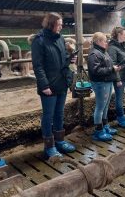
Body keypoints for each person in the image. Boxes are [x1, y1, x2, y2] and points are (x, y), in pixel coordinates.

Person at [31, 12, 76, 159]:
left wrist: (70, 59)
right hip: (49, 85)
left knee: (59, 114)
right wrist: (44, 85)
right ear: (51, 24)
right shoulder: (39, 41)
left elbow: (62, 60)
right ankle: (49, 146)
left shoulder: (60, 39)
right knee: (48, 116)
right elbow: (38, 66)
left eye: (62, 24)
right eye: (59, 24)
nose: (61, 27)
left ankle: (60, 141)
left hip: (61, 82)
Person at [88, 32, 121, 141]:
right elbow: (95, 70)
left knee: (105, 106)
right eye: (104, 41)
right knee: (100, 107)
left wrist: (113, 68)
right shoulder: (94, 54)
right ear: (98, 42)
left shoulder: (103, 52)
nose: (106, 43)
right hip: (100, 83)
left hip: (107, 81)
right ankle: (98, 131)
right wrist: (112, 69)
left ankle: (105, 126)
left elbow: (107, 65)